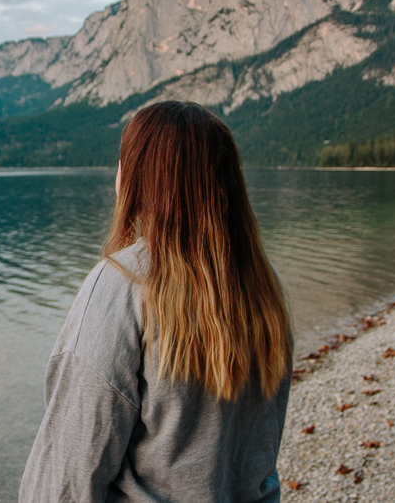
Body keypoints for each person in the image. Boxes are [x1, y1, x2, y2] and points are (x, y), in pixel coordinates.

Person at [19, 101, 292, 503]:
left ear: (138, 178)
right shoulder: (263, 289)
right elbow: (259, 459)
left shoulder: (124, 282)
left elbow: (70, 466)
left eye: (122, 161)